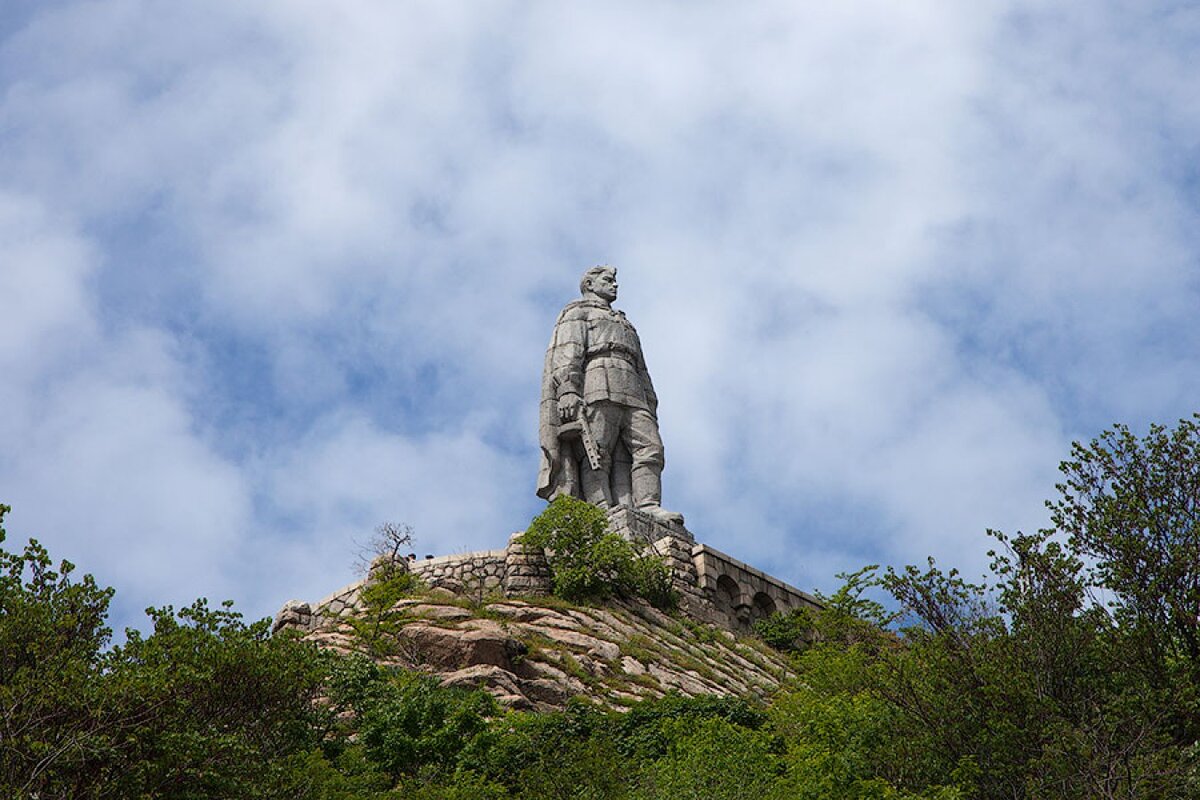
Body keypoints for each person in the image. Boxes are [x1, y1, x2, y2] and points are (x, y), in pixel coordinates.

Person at [536, 265, 684, 526]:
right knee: (596, 450)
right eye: (608, 280)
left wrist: (650, 399)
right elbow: (567, 352)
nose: (615, 285)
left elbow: (642, 367)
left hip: (633, 388)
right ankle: (599, 509)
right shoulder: (577, 313)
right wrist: (568, 389)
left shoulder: (625, 322)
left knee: (651, 448)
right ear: (590, 285)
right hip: (597, 381)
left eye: (615, 281)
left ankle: (648, 505)